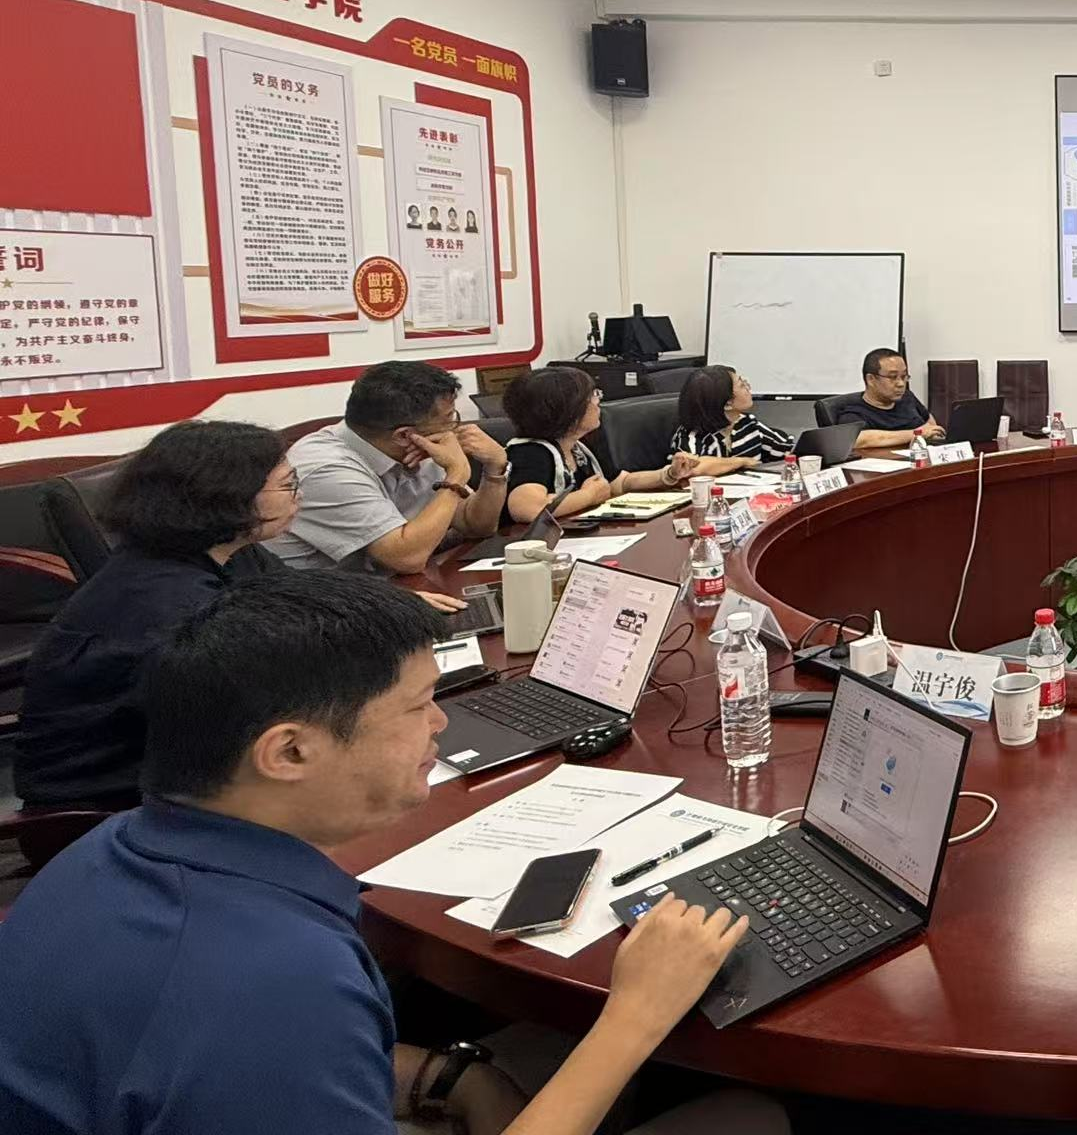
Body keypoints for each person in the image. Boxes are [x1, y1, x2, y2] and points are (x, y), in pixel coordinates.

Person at [0, 572, 790, 1135]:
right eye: (417, 707)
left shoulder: (112, 852)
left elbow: (262, 1062)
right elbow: (261, 1030)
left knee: (549, 1055)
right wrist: (638, 1014)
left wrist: (448, 1075)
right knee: (750, 1114)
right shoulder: (265, 977)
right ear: (290, 752)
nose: (441, 725)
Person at [15, 422, 296, 810]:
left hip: (186, 760)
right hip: (106, 805)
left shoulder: (230, 551)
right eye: (287, 485)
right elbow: (245, 704)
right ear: (229, 497)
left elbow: (309, 603)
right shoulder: (169, 604)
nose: (298, 497)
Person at [270, 360, 508, 574]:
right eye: (449, 419)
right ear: (404, 435)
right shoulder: (326, 469)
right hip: (314, 600)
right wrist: (457, 473)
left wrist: (495, 466)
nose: (454, 429)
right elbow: (407, 559)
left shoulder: (415, 447)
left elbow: (476, 525)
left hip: (384, 589)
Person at [499, 365, 693, 524]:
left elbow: (620, 483)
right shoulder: (531, 452)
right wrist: (588, 496)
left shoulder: (581, 445)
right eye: (592, 396)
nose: (598, 400)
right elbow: (527, 508)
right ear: (568, 410)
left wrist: (669, 474)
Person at [671, 365, 793, 478]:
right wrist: (741, 461)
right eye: (742, 385)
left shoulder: (747, 423)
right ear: (727, 404)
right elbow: (691, 469)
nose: (748, 388)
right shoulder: (692, 437)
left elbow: (785, 450)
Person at [835, 348, 943, 450]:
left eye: (904, 376)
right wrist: (917, 433)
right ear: (871, 379)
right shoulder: (854, 413)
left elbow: (930, 424)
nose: (901, 384)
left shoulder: (907, 397)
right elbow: (860, 440)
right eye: (892, 377)